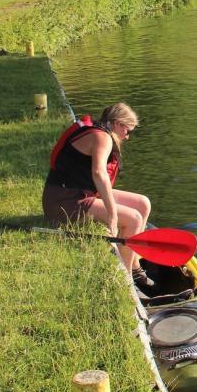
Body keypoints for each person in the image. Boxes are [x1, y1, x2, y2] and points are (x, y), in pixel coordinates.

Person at [42, 103, 154, 294]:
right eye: (128, 131)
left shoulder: (98, 130)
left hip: (79, 193)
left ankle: (134, 267)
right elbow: (99, 173)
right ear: (117, 124)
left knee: (142, 203)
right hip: (64, 202)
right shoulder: (102, 137)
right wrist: (112, 213)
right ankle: (126, 285)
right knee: (133, 218)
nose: (127, 137)